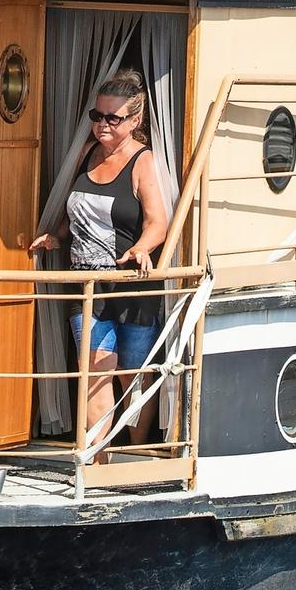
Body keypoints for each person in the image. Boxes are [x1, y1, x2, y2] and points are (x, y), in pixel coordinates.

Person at [29, 68, 171, 441]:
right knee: (94, 373)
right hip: (87, 286)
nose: (102, 125)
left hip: (129, 285)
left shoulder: (144, 162)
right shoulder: (88, 154)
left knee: (134, 374)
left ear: (135, 120)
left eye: (113, 118)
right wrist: (56, 236)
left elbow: (158, 223)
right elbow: (76, 211)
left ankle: (137, 453)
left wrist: (142, 248)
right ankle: (97, 463)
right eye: (97, 116)